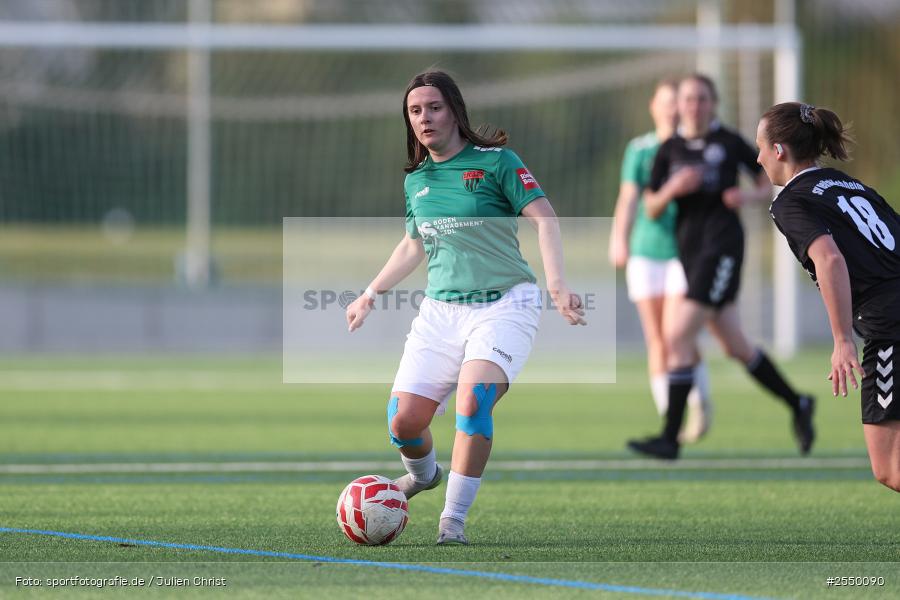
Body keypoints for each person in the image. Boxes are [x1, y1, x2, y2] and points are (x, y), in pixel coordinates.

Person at [344, 70, 586, 545]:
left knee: (473, 403)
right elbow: (413, 245)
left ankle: (452, 522)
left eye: (433, 107)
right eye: (415, 111)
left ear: (454, 110)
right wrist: (369, 293)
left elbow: (546, 219)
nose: (424, 118)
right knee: (404, 421)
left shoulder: (497, 163)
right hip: (440, 313)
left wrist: (557, 285)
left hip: (504, 306)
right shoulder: (417, 180)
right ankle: (422, 477)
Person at [626, 73, 814, 460]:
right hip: (690, 254)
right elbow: (650, 206)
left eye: (702, 99)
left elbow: (767, 179)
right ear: (679, 105)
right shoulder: (669, 149)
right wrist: (672, 190)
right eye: (689, 99)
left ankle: (670, 438)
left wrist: (746, 196)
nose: (694, 105)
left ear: (713, 103)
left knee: (676, 337)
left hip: (722, 249)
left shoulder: (727, 142)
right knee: (735, 345)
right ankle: (798, 403)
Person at [760, 102, 900, 492]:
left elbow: (829, 258)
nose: (757, 157)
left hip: (890, 327)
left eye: (759, 146)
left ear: (778, 151)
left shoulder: (790, 201)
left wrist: (841, 341)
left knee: (890, 466)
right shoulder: (850, 185)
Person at [609, 78, 712, 443]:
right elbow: (628, 198)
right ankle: (671, 417)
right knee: (656, 338)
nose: (672, 108)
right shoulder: (639, 149)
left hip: (684, 251)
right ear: (653, 106)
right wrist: (618, 238)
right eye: (665, 102)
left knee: (677, 333)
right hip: (645, 251)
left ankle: (698, 403)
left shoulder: (693, 148)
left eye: (677, 102)